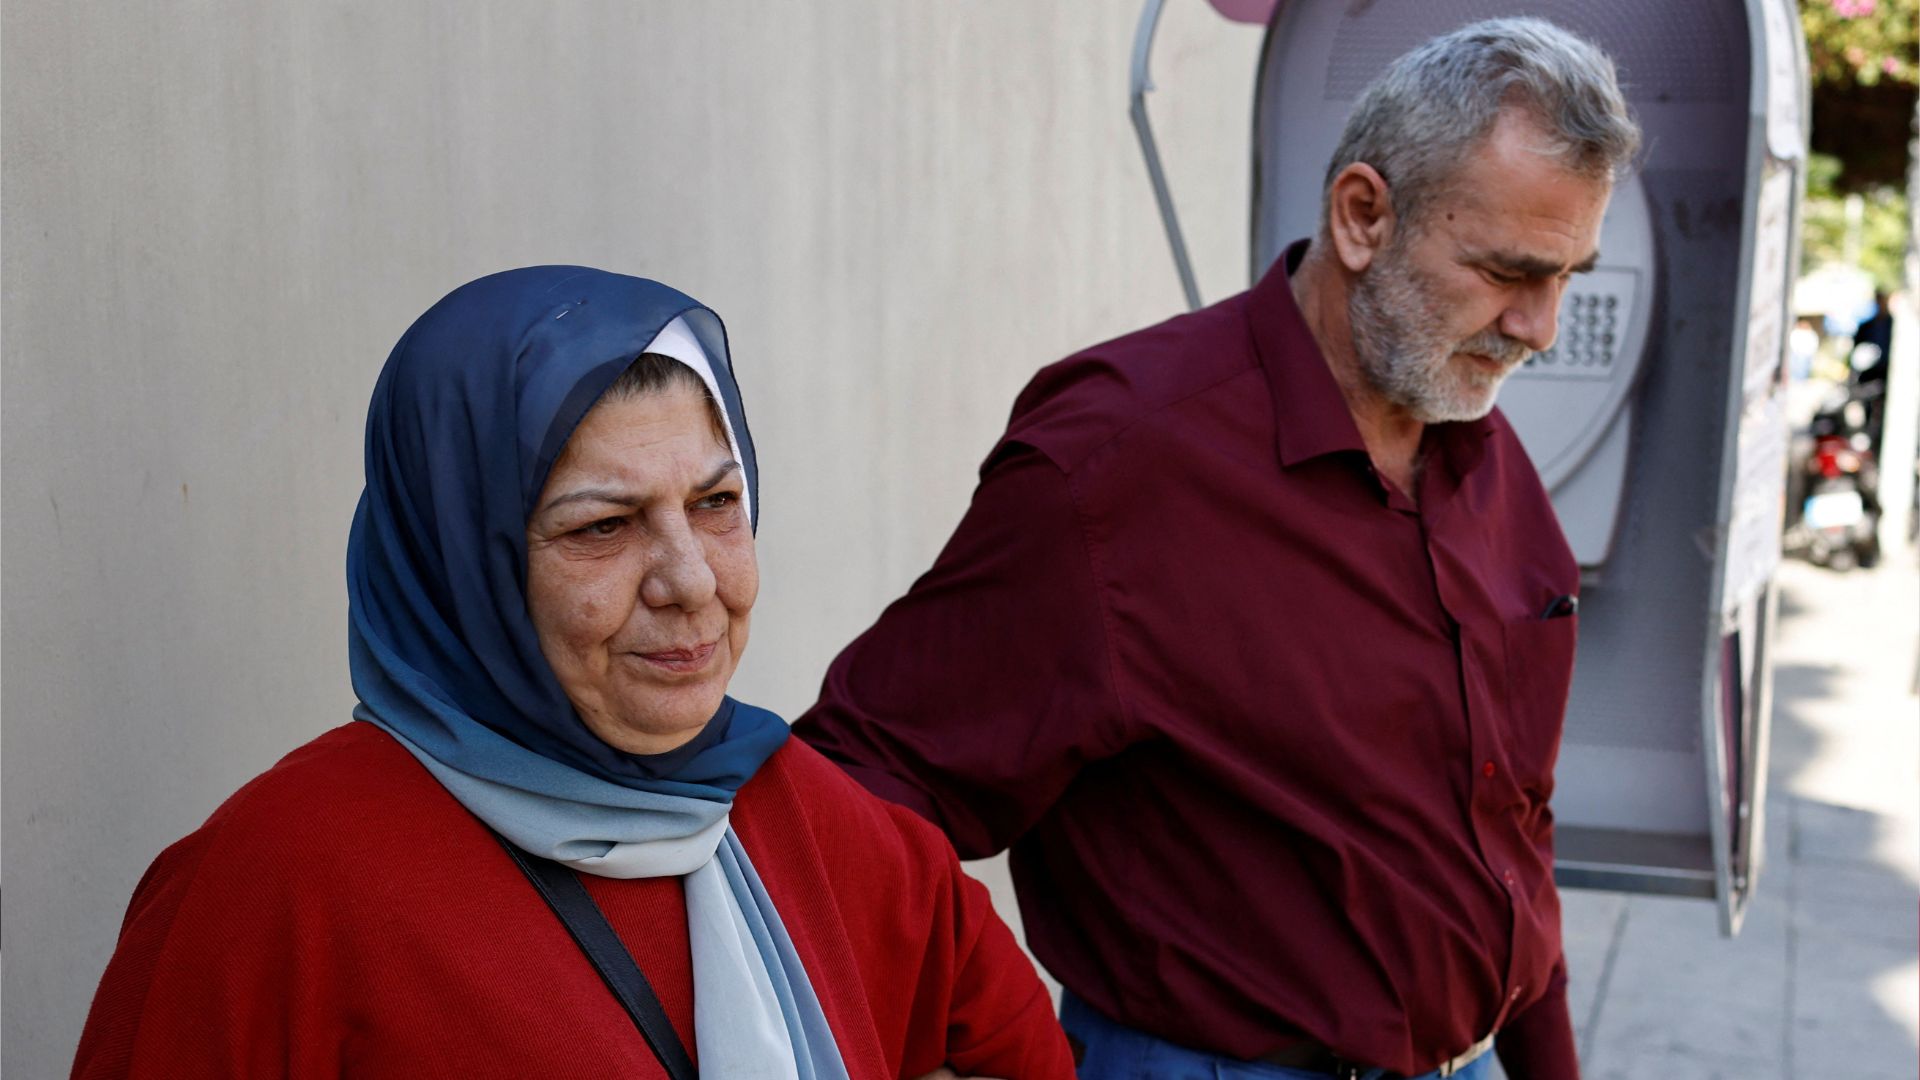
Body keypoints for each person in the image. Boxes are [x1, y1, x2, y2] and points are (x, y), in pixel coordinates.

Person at [795, 18, 1639, 1080]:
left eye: (1570, 276)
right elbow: (859, 788)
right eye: (1510, 271)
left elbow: (1512, 819)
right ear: (1364, 215)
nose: (1542, 329)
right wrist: (1011, 1042)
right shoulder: (1118, 462)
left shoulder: (1481, 445)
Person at [72, 268, 1074, 1079]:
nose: (690, 581)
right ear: (462, 564)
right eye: (603, 525)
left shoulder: (809, 825)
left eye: (718, 504)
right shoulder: (274, 892)